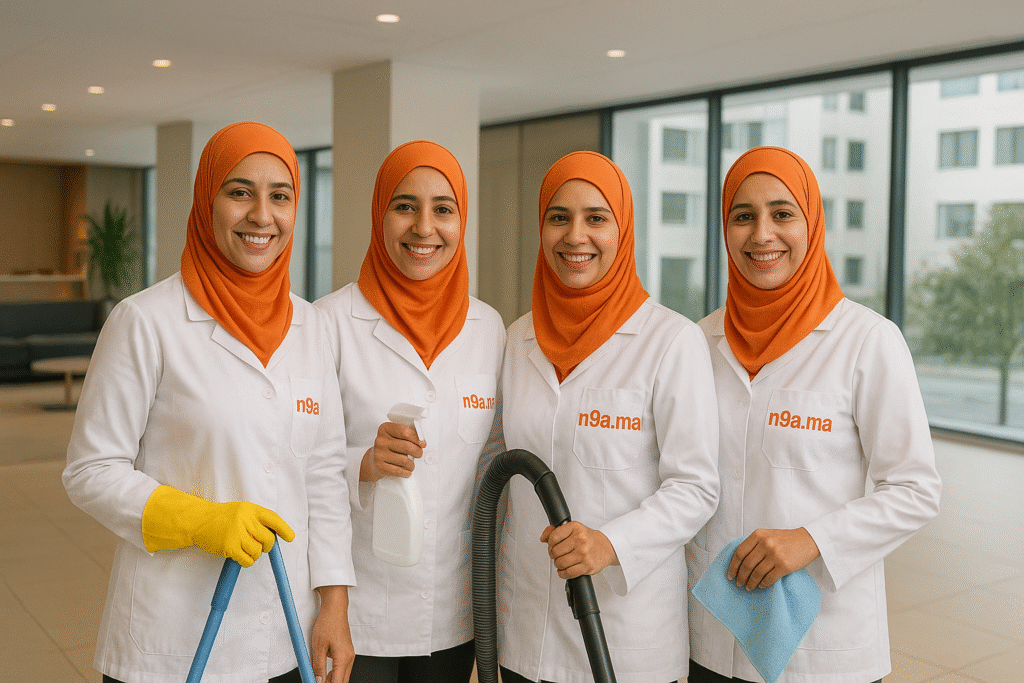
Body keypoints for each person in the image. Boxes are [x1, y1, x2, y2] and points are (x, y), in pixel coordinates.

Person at [63, 122, 355, 683]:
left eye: (280, 196)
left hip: (284, 633)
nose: (262, 216)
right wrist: (197, 519)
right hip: (172, 638)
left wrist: (335, 604)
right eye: (240, 192)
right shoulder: (145, 321)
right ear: (207, 201)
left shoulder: (312, 326)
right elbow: (90, 470)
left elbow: (323, 475)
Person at [686, 146, 942, 683]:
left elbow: (915, 489)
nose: (762, 234)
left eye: (782, 213)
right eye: (743, 215)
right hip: (712, 637)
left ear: (812, 223)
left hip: (823, 646)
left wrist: (812, 539)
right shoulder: (698, 342)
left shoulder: (867, 340)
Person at [497, 151, 720, 683]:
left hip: (625, 634)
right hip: (526, 629)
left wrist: (611, 543)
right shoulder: (517, 338)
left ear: (623, 230)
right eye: (559, 217)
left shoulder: (671, 340)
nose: (576, 236)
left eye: (596, 218)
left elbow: (695, 487)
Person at [315, 140, 505, 683]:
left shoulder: (488, 328)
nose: (424, 227)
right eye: (405, 206)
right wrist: (365, 462)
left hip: (452, 607)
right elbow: (299, 462)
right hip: (356, 602)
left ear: (461, 221)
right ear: (380, 214)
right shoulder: (329, 323)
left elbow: (492, 463)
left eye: (443, 209)